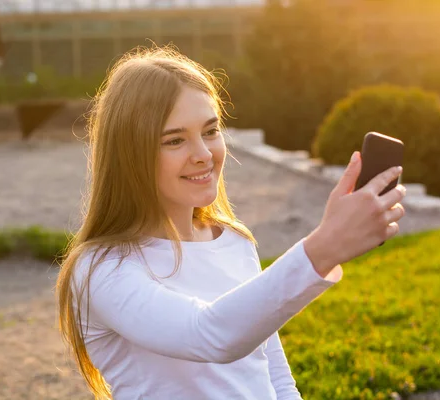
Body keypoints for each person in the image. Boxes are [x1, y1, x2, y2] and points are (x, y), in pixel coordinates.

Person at [55, 45, 406, 400]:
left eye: (210, 131)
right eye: (175, 140)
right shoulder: (101, 269)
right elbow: (209, 335)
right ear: (129, 154)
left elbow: (275, 378)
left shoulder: (234, 241)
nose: (204, 155)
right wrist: (326, 246)